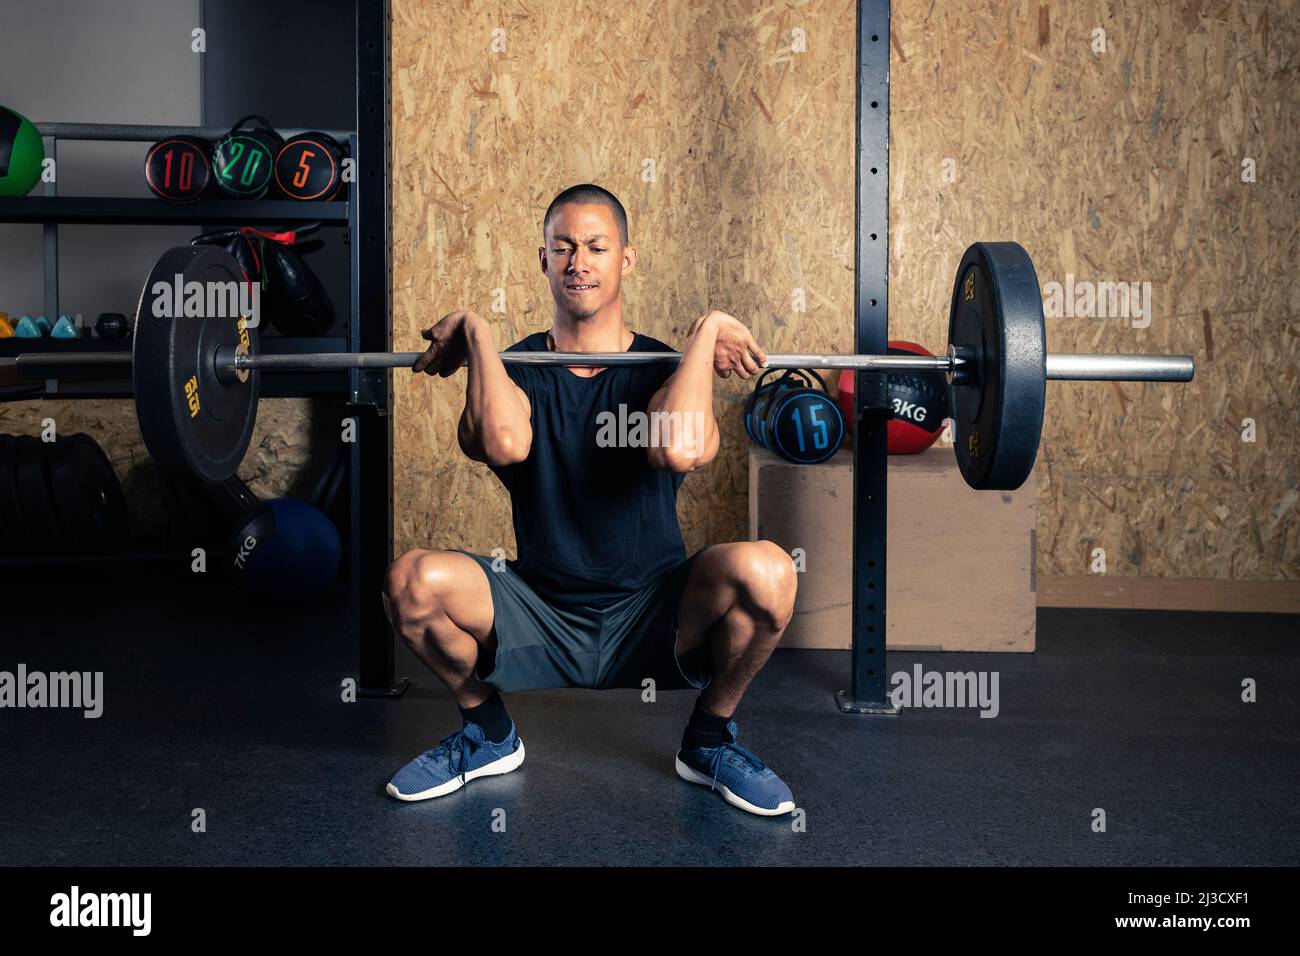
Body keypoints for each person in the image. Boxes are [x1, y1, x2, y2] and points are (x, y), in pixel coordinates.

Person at [383, 184, 798, 816]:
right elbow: (501, 442)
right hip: (539, 609)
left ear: (626, 260)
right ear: (543, 260)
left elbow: (679, 448)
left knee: (769, 572)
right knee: (409, 581)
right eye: (564, 247)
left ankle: (709, 741)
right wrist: (476, 329)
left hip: (654, 611)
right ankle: (488, 734)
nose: (579, 262)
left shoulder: (665, 367)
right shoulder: (513, 367)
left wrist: (708, 329)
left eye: (597, 247)